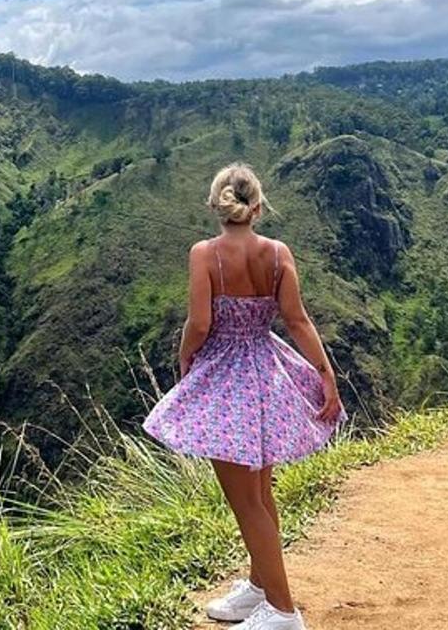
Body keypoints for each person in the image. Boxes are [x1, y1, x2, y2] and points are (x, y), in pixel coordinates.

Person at [143, 162, 347, 629]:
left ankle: (282, 610)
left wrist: (185, 361)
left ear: (216, 205)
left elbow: (199, 324)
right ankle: (260, 587)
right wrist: (325, 373)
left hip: (227, 380)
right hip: (268, 375)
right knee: (260, 492)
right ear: (257, 207)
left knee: (246, 502)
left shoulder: (205, 255)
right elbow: (297, 320)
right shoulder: (278, 254)